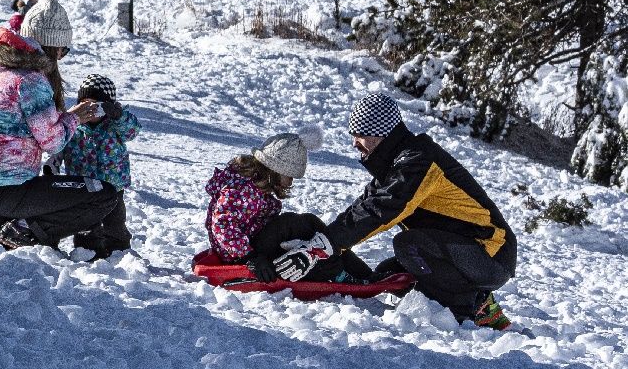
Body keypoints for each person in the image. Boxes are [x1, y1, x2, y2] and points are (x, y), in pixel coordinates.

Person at [274, 92, 517, 329]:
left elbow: (380, 210)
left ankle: (471, 308)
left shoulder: (418, 162)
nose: (354, 143)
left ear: (379, 133)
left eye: (359, 134)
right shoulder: (398, 163)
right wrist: (322, 245)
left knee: (409, 245)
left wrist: (320, 249)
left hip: (491, 253)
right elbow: (361, 209)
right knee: (388, 274)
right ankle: (469, 300)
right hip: (468, 252)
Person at [0, 26, 119, 252]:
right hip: (11, 187)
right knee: (103, 194)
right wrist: (75, 117)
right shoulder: (29, 81)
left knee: (48, 193)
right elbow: (53, 141)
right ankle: (24, 229)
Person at [205, 128, 370, 283]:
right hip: (243, 254)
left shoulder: (253, 187)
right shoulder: (242, 190)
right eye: (289, 176)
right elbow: (222, 225)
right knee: (291, 223)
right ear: (275, 170)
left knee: (309, 222)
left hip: (248, 247)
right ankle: (338, 273)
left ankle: (363, 273)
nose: (291, 182)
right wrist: (250, 257)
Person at [56, 74, 139, 258]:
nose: (91, 109)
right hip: (83, 187)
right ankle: (87, 251)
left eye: (97, 104)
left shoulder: (115, 124)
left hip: (112, 185)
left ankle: (119, 251)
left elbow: (133, 131)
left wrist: (118, 115)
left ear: (108, 106)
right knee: (85, 222)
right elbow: (58, 142)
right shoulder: (73, 124)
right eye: (85, 103)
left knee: (115, 222)